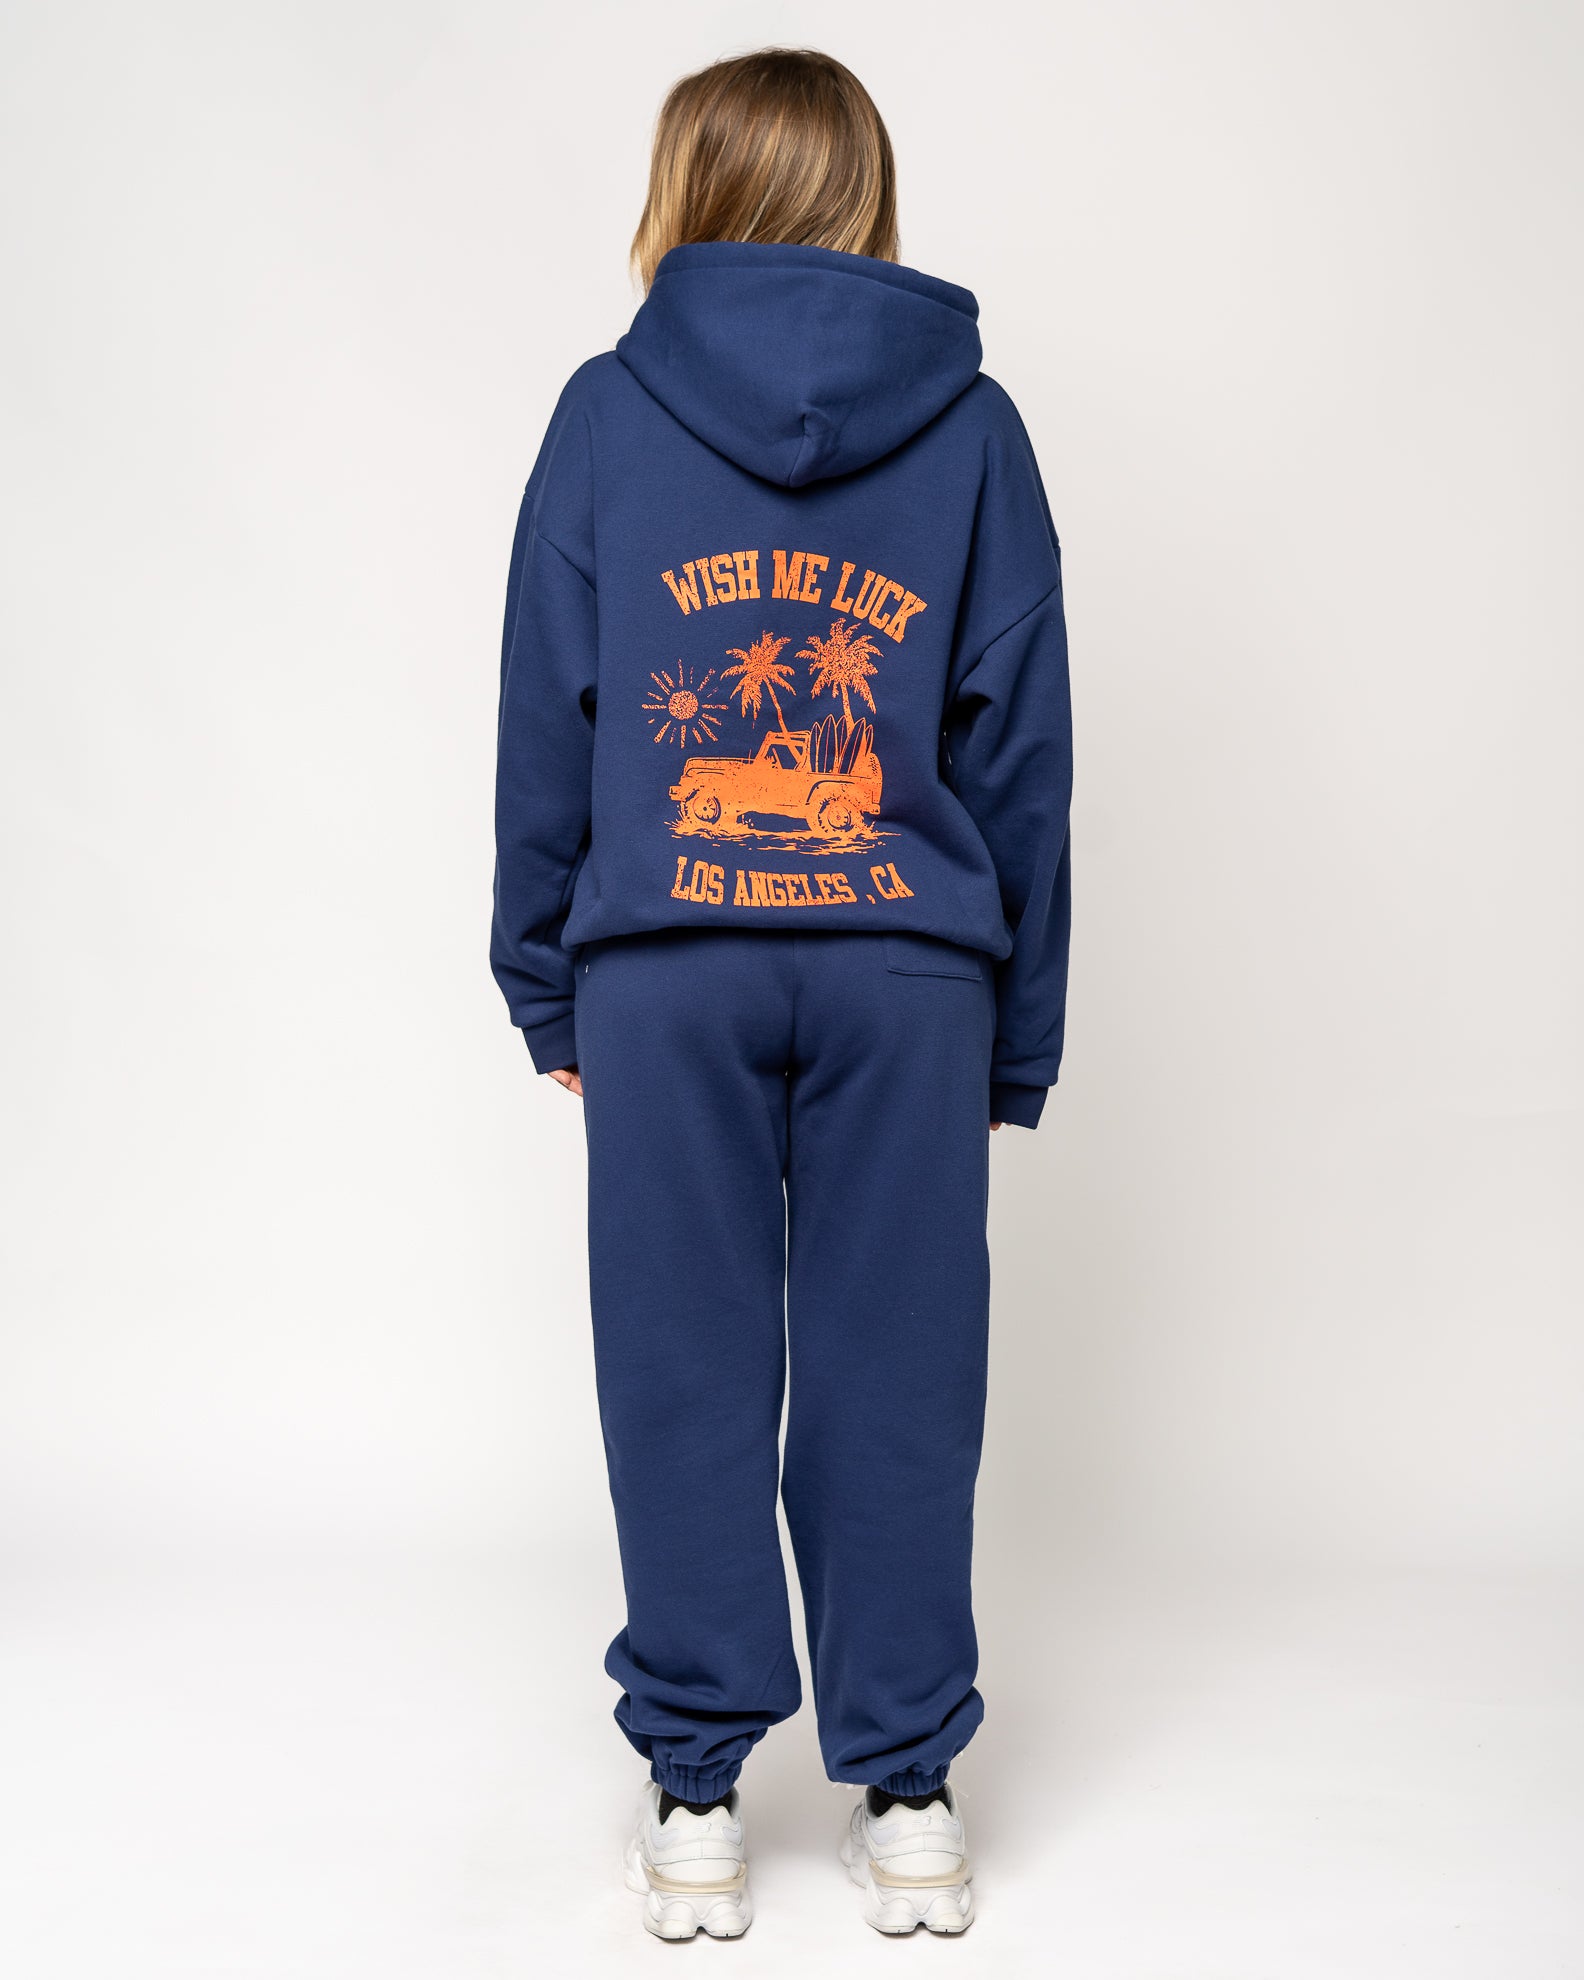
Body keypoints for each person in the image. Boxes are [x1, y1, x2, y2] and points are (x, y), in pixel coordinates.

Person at [491, 46, 1072, 1941]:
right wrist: (1021, 1022)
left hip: (668, 965)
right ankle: (909, 1796)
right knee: (903, 1369)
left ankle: (695, 1800)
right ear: (865, 195)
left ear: (686, 189)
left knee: (682, 1368)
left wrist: (545, 977)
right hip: (910, 972)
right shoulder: (973, 425)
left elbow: (551, 700)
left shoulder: (606, 413)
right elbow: (1019, 741)